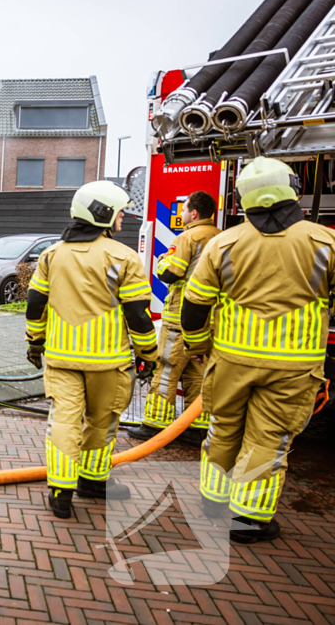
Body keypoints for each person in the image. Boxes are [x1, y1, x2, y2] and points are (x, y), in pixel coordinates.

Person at [182, 157, 335, 544]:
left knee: (223, 428)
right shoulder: (325, 242)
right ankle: (248, 519)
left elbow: (195, 304)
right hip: (294, 365)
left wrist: (198, 345)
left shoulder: (224, 243)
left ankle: (213, 501)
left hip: (231, 359)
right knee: (268, 437)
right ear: (293, 188)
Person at [25, 181, 159, 519]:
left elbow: (35, 305)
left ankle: (60, 490)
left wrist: (34, 342)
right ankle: (93, 482)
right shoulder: (123, 257)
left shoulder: (51, 255)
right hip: (108, 363)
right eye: (120, 213)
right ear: (104, 214)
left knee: (64, 422)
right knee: (102, 422)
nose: (123, 219)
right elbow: (138, 315)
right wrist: (148, 355)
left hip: (60, 359)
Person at [128, 190, 221, 445]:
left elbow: (171, 273)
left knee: (167, 367)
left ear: (194, 213)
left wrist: (162, 259)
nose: (180, 214)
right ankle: (195, 428)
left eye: (184, 210)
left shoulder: (188, 237)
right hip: (211, 321)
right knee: (198, 372)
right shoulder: (222, 238)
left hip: (180, 318)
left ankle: (154, 424)